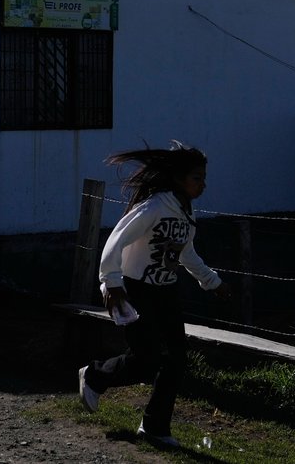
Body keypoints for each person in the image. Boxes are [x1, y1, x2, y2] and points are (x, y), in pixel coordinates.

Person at [78, 141, 232, 449]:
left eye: (203, 178)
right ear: (178, 178)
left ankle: (154, 426)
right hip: (135, 291)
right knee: (146, 358)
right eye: (196, 178)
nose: (203, 185)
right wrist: (111, 281)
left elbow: (186, 254)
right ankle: (95, 376)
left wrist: (212, 282)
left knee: (176, 360)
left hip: (166, 292)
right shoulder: (153, 207)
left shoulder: (186, 213)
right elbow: (116, 240)